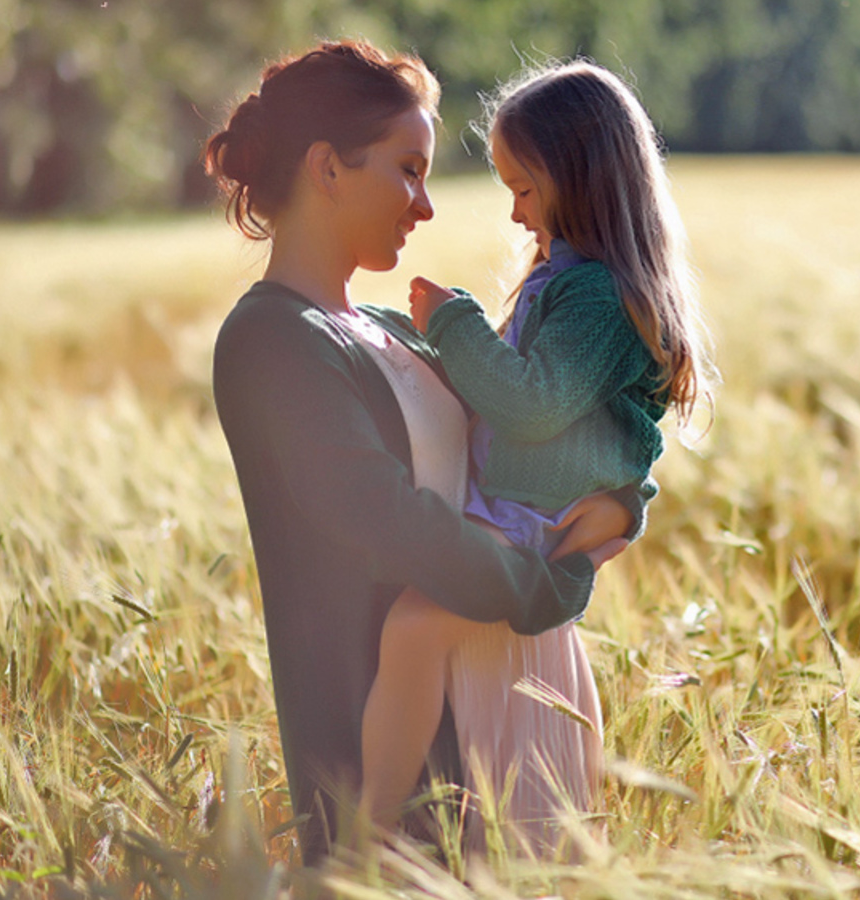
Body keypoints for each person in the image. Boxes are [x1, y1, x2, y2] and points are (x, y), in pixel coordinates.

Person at [203, 41, 642, 865]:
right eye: (409, 169)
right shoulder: (270, 339)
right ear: (328, 169)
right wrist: (552, 577)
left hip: (512, 683)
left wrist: (626, 501)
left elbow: (556, 426)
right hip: (394, 751)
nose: (426, 205)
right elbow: (385, 518)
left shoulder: (392, 329)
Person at [359, 60, 714, 856]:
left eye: (523, 189)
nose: (516, 216)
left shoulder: (594, 296)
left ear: (580, 179)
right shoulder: (574, 282)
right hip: (527, 512)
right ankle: (489, 830)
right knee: (473, 649)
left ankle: (362, 833)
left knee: (415, 629)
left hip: (531, 523)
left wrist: (455, 325)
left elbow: (532, 403)